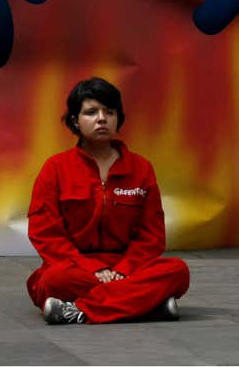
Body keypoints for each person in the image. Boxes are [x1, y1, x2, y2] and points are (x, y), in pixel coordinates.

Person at [27, 77, 190, 325]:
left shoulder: (141, 168)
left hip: (129, 268)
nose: (102, 119)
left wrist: (123, 270)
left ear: (118, 119)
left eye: (109, 112)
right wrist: (92, 269)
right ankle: (146, 305)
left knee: (177, 271)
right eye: (91, 112)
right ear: (75, 120)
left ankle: (78, 311)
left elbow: (151, 235)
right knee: (52, 281)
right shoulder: (56, 168)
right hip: (76, 268)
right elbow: (46, 234)